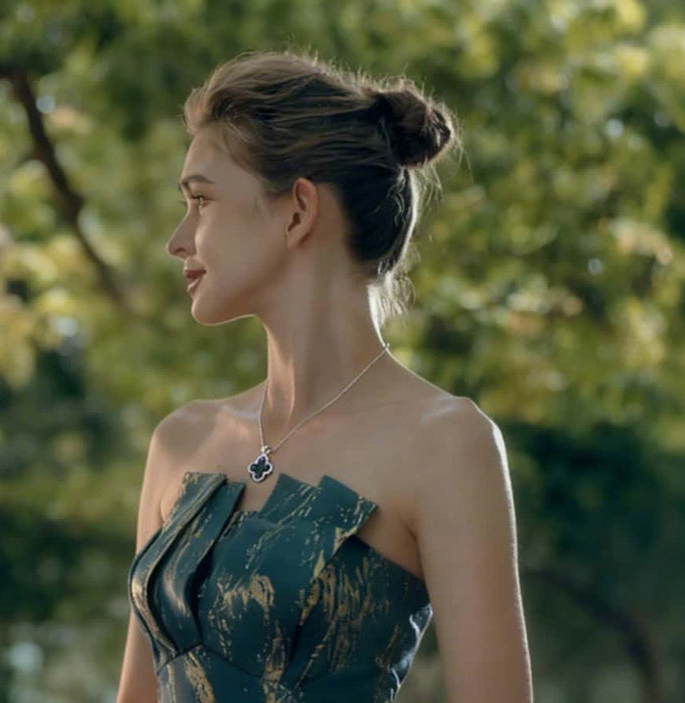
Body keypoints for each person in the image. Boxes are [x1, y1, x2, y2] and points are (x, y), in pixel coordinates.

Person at [114, 50, 534, 703]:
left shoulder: (446, 444)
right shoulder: (181, 441)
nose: (178, 239)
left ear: (298, 211)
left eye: (201, 200)